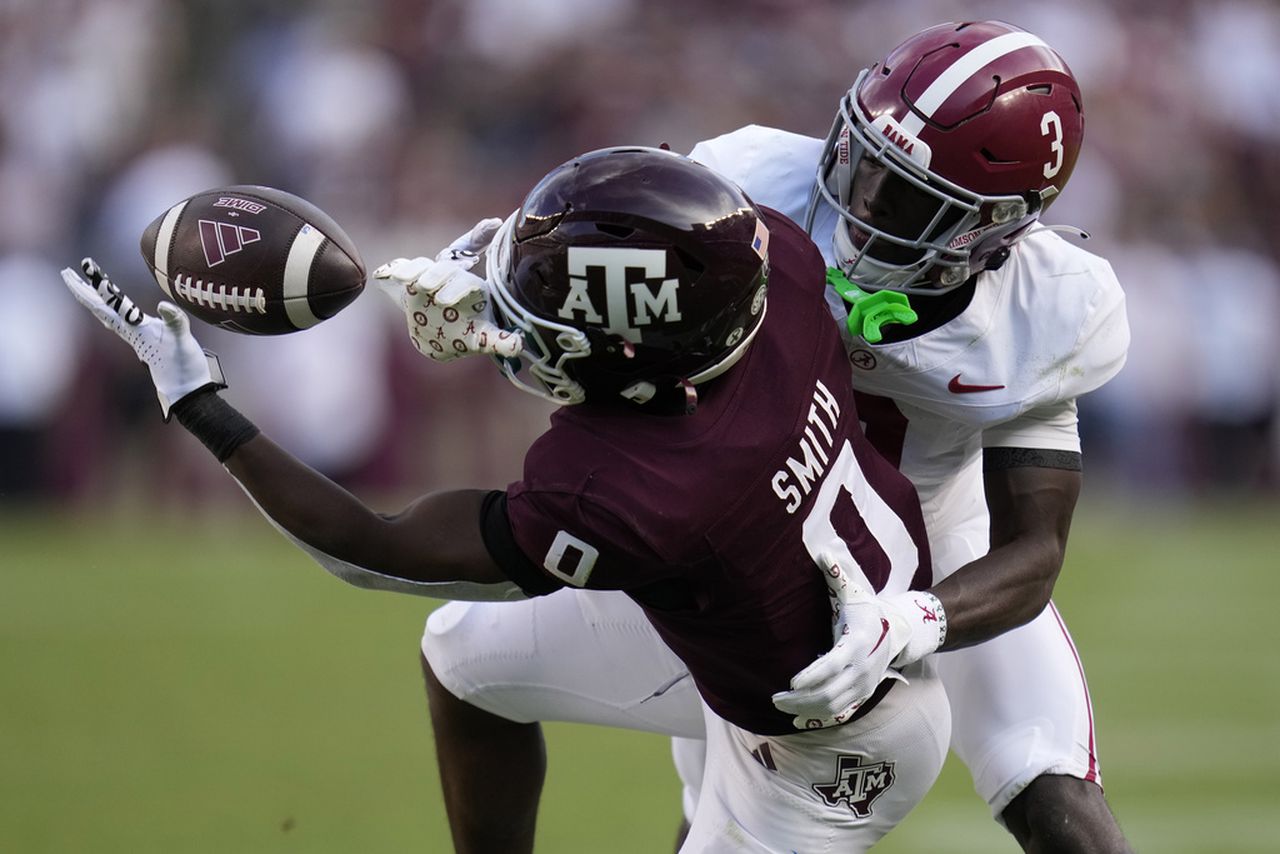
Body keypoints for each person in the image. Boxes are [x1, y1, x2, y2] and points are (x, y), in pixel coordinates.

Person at [62, 146, 953, 852]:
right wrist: (500, 283)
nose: (521, 333)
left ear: (631, 363)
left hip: (832, 745)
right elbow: (636, 287)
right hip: (780, 617)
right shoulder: (773, 264)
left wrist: (201, 407)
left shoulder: (639, 489)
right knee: (468, 656)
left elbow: (374, 549)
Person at [411, 20, 1133, 853]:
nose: (859, 204)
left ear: (997, 228)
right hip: (743, 543)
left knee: (1057, 799)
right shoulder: (752, 181)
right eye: (862, 160)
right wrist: (499, 274)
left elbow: (1035, 547)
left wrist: (917, 618)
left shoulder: (1051, 310)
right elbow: (608, 246)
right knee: (489, 663)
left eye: (903, 198)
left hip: (937, 545)